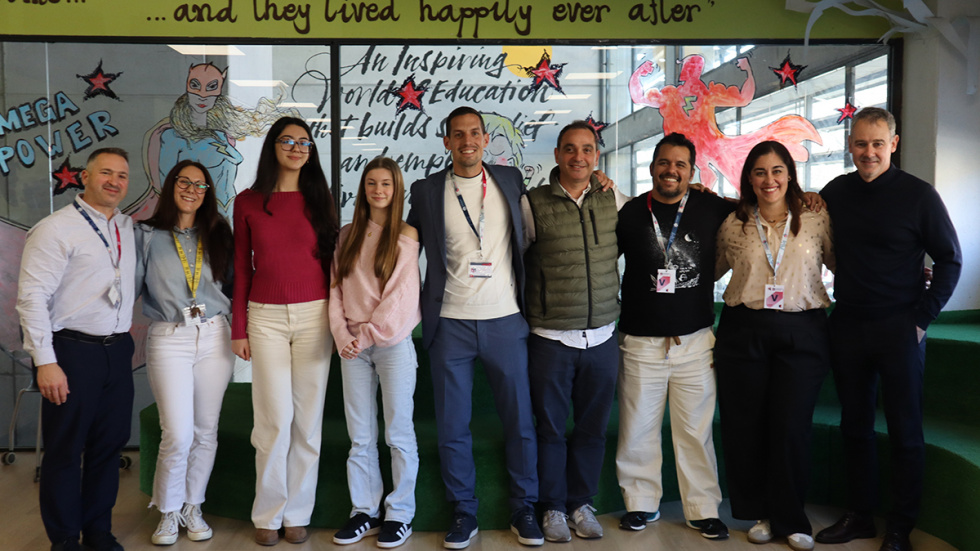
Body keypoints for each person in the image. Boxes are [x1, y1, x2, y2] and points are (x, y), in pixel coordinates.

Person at [815, 107, 961, 551]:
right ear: (850, 145)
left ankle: (900, 526)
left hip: (901, 326)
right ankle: (860, 515)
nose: (868, 152)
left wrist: (922, 319)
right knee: (854, 426)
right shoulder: (835, 192)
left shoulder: (919, 196)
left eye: (878, 144)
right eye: (860, 143)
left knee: (905, 430)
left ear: (893, 145)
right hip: (849, 324)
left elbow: (951, 259)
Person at [406, 106, 543, 549]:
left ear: (486, 139)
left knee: (520, 420)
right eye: (458, 134)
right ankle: (464, 511)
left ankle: (525, 507)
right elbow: (403, 241)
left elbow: (531, 233)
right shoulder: (426, 190)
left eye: (475, 133)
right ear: (446, 142)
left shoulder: (509, 180)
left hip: (505, 319)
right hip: (451, 324)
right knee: (452, 425)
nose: (467, 140)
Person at [713, 141, 835, 551]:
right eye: (761, 172)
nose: (770, 180)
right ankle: (763, 512)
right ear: (749, 177)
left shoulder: (816, 217)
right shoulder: (733, 222)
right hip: (743, 329)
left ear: (790, 174)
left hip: (803, 331)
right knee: (748, 426)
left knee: (790, 425)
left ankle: (791, 517)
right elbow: (709, 269)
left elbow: (843, 262)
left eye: (778, 170)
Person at [615, 132, 734, 540]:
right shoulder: (630, 212)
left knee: (695, 431)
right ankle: (640, 504)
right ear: (652, 168)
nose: (671, 170)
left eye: (681, 164)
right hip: (640, 342)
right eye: (664, 163)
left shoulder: (711, 207)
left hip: (695, 342)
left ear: (692, 171)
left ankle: (701, 509)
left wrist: (806, 196)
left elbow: (755, 205)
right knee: (637, 428)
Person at [17, 147, 136, 551]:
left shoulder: (126, 226)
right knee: (66, 450)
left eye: (121, 175)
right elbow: (31, 298)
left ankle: (98, 532)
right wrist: (45, 362)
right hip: (72, 351)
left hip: (118, 350)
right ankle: (65, 538)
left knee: (108, 447)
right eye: (106, 172)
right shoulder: (56, 229)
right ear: (84, 177)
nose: (114, 181)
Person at [231, 116, 339, 546]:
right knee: (274, 420)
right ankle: (268, 512)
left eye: (304, 142)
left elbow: (334, 264)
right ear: (272, 146)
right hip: (265, 318)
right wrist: (239, 327)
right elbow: (241, 268)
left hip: (316, 315)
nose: (296, 148)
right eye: (287, 140)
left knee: (308, 423)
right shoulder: (248, 201)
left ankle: (297, 512)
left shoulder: (321, 199)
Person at [522, 121, 629, 542]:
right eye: (570, 149)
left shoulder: (613, 199)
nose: (578, 157)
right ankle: (551, 508)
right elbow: (516, 259)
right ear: (557, 156)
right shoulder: (532, 203)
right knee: (549, 429)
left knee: (590, 429)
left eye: (587, 150)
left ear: (597, 157)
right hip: (550, 338)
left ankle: (581, 504)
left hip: (602, 336)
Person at [135, 160, 235, 546]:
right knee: (176, 432)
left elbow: (234, 282)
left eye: (201, 185)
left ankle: (193, 506)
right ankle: (167, 510)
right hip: (169, 336)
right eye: (185, 182)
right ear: (170, 185)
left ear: (208, 192)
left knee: (205, 430)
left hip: (214, 335)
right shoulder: (147, 234)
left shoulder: (218, 232)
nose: (192, 189)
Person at [328, 157, 421, 549]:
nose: (378, 190)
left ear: (396, 189)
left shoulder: (406, 235)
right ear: (363, 188)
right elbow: (334, 288)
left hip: (391, 344)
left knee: (398, 433)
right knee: (360, 434)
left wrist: (364, 336)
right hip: (351, 346)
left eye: (386, 184)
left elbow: (401, 298)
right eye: (371, 183)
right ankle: (364, 510)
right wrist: (340, 333)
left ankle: (399, 513)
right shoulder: (347, 234)